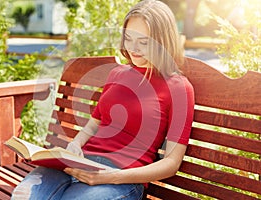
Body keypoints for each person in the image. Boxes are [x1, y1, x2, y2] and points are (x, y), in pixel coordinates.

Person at [11, 0, 194, 199]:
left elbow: (171, 163)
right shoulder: (118, 73)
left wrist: (111, 177)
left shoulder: (179, 88)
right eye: (129, 38)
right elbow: (92, 127)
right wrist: (75, 145)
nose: (133, 48)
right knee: (24, 195)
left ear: (163, 41)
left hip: (122, 178)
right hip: (79, 163)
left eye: (143, 41)